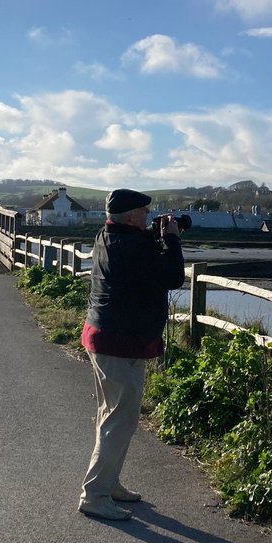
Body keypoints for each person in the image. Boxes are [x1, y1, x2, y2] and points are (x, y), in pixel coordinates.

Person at [78, 188, 185, 521]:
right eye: (143, 212)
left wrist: (155, 237)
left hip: (104, 337)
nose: (148, 217)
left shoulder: (108, 236)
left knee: (110, 415)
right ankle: (95, 494)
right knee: (120, 420)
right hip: (120, 344)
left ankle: (108, 484)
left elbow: (141, 267)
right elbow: (173, 276)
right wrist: (172, 240)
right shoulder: (133, 246)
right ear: (128, 217)